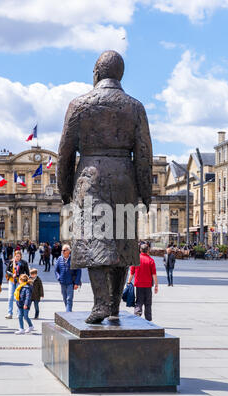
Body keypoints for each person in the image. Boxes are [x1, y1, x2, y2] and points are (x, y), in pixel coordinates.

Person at [57, 50, 152, 324]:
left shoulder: (79, 104)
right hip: (124, 178)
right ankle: (112, 305)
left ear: (96, 73)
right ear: (120, 75)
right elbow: (144, 153)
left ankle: (100, 302)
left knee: (93, 238)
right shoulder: (135, 107)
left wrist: (64, 188)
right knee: (120, 240)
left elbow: (65, 152)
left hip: (90, 177)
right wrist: (145, 191)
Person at [127, 244, 158, 322]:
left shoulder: (136, 260)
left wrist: (128, 282)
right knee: (148, 303)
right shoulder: (151, 260)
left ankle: (137, 317)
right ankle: (148, 320)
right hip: (148, 285)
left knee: (139, 302)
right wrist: (156, 286)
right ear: (148, 250)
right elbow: (154, 274)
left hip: (139, 285)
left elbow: (131, 273)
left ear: (140, 250)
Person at [55, 245, 81, 312]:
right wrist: (58, 278)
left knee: (69, 299)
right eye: (62, 250)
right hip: (62, 282)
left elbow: (78, 271)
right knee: (64, 298)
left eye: (64, 250)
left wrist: (76, 283)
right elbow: (56, 270)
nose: (63, 252)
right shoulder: (59, 259)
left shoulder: (73, 260)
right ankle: (69, 311)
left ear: (69, 251)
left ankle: (68, 313)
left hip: (70, 282)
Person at [5, 251, 30, 319]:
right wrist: (11, 274)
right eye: (16, 256)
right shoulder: (11, 262)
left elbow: (27, 273)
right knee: (10, 297)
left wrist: (23, 278)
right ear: (14, 256)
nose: (17, 258)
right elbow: (6, 271)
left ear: (21, 256)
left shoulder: (24, 263)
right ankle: (10, 313)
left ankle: (19, 313)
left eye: (18, 256)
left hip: (19, 282)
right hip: (11, 281)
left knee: (18, 297)